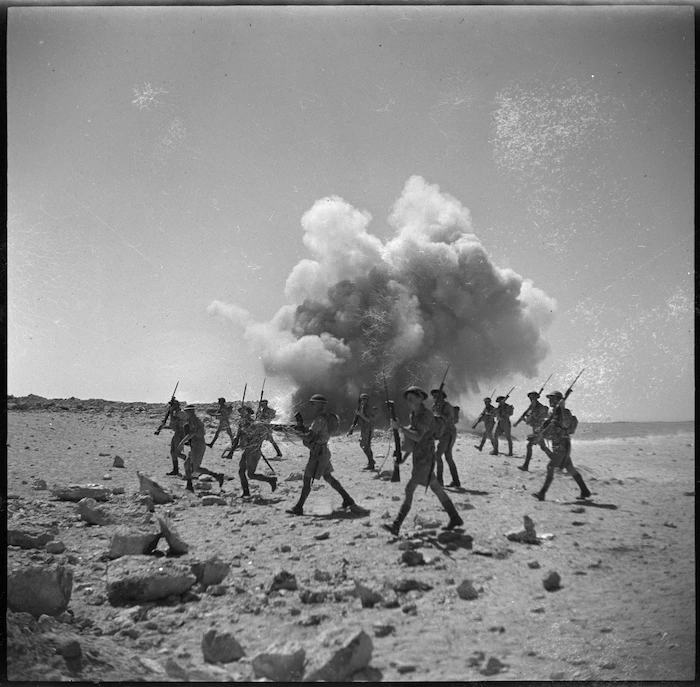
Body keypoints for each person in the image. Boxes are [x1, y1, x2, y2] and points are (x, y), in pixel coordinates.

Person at [382, 386, 464, 536]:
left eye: (412, 399)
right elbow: (412, 439)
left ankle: (396, 525)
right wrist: (403, 457)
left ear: (420, 398)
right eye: (407, 400)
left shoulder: (426, 415)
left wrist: (400, 427)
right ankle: (455, 517)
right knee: (437, 488)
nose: (409, 402)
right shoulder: (414, 414)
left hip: (426, 456)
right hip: (419, 456)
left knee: (409, 489)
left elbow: (419, 436)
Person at [286, 394, 368, 516]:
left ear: (320, 405)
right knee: (328, 477)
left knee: (307, 479)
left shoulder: (319, 420)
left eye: (314, 403)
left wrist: (296, 433)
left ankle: (299, 507)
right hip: (323, 452)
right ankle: (348, 499)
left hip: (318, 454)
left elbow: (310, 436)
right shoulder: (327, 417)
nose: (312, 406)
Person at [532, 391, 591, 501]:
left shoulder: (564, 412)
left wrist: (562, 409)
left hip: (562, 444)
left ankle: (542, 493)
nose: (549, 401)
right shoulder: (553, 413)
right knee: (570, 468)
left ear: (557, 400)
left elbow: (566, 424)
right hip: (558, 444)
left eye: (552, 399)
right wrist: (539, 431)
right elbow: (548, 425)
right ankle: (585, 491)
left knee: (550, 467)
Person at [177, 405, 225, 493]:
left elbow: (192, 432)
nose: (185, 414)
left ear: (190, 412)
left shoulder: (194, 420)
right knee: (187, 464)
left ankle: (217, 476)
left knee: (196, 468)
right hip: (195, 445)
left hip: (198, 445)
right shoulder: (192, 420)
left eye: (187, 412)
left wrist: (182, 442)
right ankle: (189, 485)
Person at [236, 406, 277, 497]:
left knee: (250, 475)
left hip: (253, 452)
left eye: (243, 413)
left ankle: (271, 480)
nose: (241, 415)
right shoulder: (243, 424)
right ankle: (246, 492)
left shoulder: (254, 425)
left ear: (248, 414)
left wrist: (246, 445)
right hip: (248, 452)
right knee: (241, 471)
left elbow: (258, 439)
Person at [430, 388, 461, 488]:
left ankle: (440, 481)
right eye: (434, 397)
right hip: (443, 433)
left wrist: (439, 412)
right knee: (448, 457)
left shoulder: (447, 406)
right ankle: (456, 481)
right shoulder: (436, 406)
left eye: (436, 396)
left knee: (439, 455)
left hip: (449, 433)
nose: (434, 398)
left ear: (441, 397)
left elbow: (448, 419)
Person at [518, 391, 550, 472]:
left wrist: (528, 419)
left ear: (536, 398)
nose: (531, 399)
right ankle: (556, 461)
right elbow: (529, 418)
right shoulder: (532, 407)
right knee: (543, 447)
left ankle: (526, 466)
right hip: (536, 429)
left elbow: (541, 419)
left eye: (533, 398)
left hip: (539, 429)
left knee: (529, 446)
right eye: (530, 398)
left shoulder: (540, 407)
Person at [156, 398, 187, 476]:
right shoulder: (175, 413)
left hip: (181, 433)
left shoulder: (180, 413)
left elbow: (174, 420)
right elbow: (172, 425)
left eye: (172, 405)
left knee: (176, 452)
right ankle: (175, 470)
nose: (171, 406)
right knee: (173, 452)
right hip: (177, 433)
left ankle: (190, 462)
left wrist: (170, 412)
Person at [346, 393, 377, 471]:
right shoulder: (361, 407)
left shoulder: (369, 408)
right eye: (362, 399)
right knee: (366, 446)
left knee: (364, 445)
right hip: (364, 428)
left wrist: (359, 414)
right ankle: (371, 463)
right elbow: (356, 419)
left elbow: (368, 419)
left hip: (368, 428)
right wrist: (352, 427)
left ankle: (371, 462)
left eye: (364, 399)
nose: (363, 401)